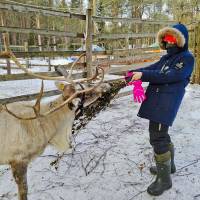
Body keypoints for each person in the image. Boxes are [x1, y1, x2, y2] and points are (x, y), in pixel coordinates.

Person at [128, 23, 195, 196]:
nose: (168, 41)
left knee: (157, 138)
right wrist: (134, 72)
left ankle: (164, 180)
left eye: (172, 38)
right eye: (166, 38)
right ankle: (169, 167)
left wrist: (143, 76)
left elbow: (169, 75)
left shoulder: (186, 58)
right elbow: (153, 69)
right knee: (161, 135)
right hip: (158, 101)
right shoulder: (166, 58)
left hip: (166, 103)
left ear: (181, 40)